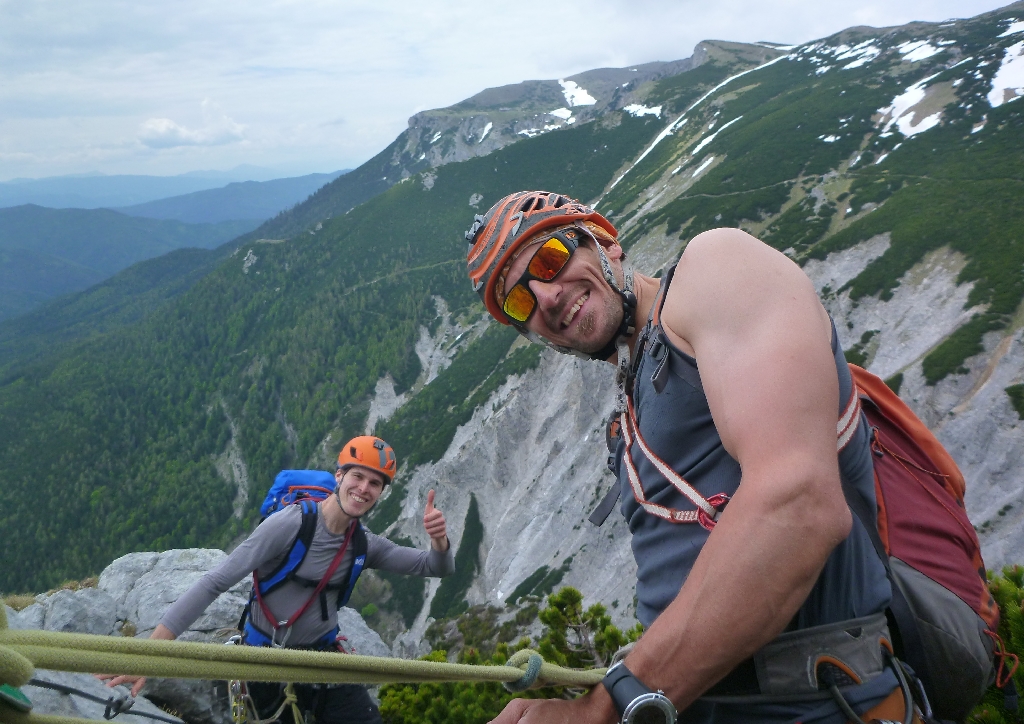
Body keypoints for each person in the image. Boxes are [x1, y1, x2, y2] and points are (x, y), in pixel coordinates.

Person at [465, 191, 914, 724]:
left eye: (550, 259)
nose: (545, 298)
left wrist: (603, 709)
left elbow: (799, 506)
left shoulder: (716, 268)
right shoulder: (631, 404)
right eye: (519, 301)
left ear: (606, 241)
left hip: (820, 702)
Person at [101, 435, 454, 724]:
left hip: (324, 661)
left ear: (380, 493)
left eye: (374, 483)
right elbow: (215, 582)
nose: (364, 488)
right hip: (266, 661)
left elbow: (434, 567)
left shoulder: (363, 543)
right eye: (357, 476)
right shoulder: (289, 524)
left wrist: (439, 540)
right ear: (339, 476)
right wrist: (147, 654)